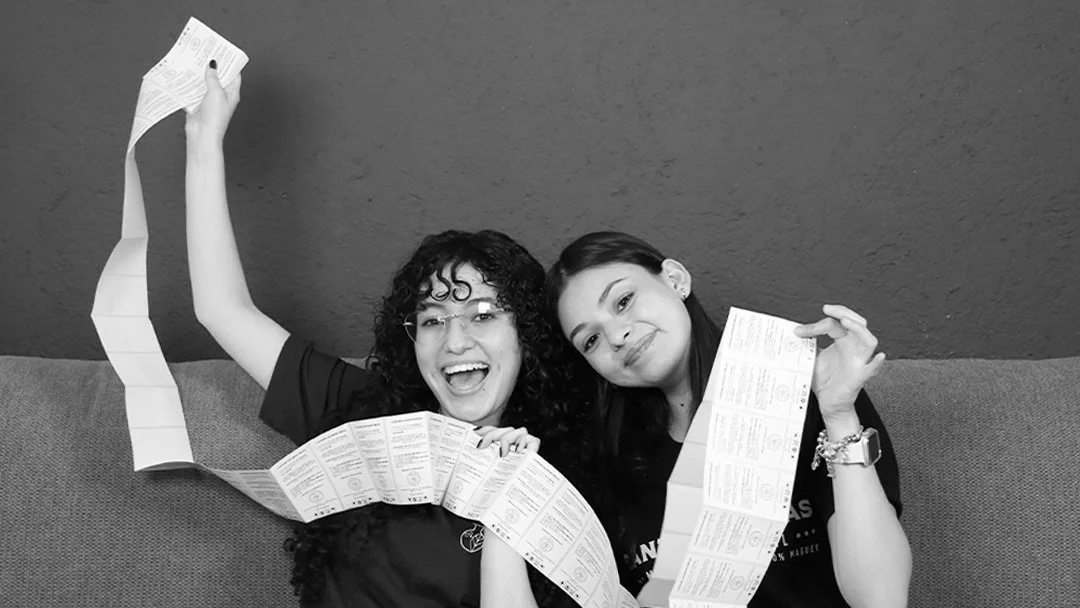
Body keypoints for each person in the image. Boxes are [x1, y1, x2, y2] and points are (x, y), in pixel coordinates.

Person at [184, 63, 587, 607]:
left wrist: (507, 502)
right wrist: (203, 140)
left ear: (528, 336)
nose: (455, 341)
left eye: (484, 315)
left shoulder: (559, 478)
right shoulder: (363, 414)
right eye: (432, 319)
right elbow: (222, 310)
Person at [545, 231, 912, 608]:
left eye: (623, 301)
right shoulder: (606, 460)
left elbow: (881, 598)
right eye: (590, 340)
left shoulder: (802, 390)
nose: (617, 336)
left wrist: (838, 416)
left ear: (675, 280)